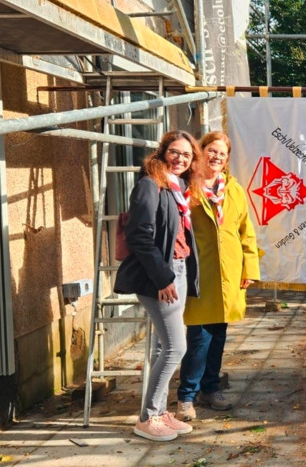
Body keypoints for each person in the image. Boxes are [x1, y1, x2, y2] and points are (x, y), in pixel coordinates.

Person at [114, 130, 201, 442]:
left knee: (165, 347)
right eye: (174, 152)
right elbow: (139, 234)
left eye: (186, 155)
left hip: (175, 270)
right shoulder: (150, 185)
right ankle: (148, 417)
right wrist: (163, 278)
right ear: (163, 152)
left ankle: (161, 411)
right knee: (177, 347)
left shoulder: (176, 187)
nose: (180, 159)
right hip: (159, 275)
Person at [177, 131, 261, 420]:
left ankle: (210, 389)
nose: (216, 157)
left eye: (222, 154)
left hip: (229, 273)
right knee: (198, 336)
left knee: (218, 334)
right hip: (200, 273)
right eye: (211, 150)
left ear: (227, 161)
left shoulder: (234, 190)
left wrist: (250, 268)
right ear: (201, 152)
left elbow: (245, 230)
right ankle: (186, 396)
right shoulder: (187, 186)